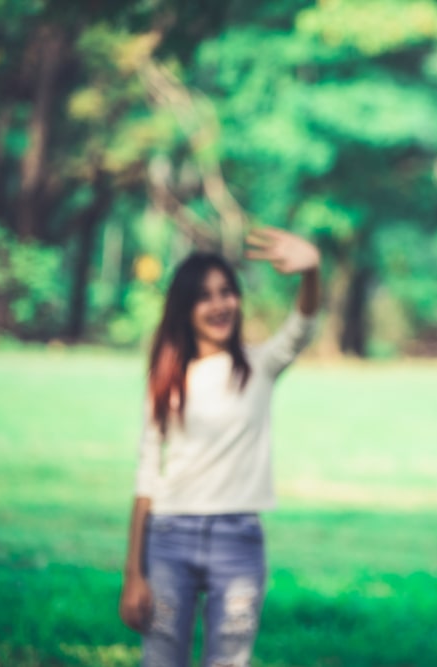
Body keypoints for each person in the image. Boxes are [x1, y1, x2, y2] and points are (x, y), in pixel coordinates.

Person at [118, 227, 321, 667]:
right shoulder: (167, 378)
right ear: (185, 308)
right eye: (205, 296)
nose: (219, 304)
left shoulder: (258, 365)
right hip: (169, 537)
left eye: (227, 292)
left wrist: (311, 273)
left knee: (229, 659)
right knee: (161, 658)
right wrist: (134, 572)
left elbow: (301, 326)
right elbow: (147, 474)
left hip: (238, 539)